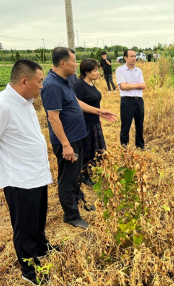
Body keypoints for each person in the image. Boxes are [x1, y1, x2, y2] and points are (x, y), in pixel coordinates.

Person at [0, 59, 56, 285]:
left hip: (36, 173)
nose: (42, 86)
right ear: (24, 81)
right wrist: (0, 164)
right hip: (20, 177)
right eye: (39, 81)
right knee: (25, 225)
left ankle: (42, 247)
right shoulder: (1, 105)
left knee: (38, 218)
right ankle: (29, 269)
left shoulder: (26, 100)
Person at [41, 47, 117, 229]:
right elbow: (53, 118)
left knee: (76, 175)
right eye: (74, 61)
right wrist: (66, 145)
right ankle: (71, 215)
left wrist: (99, 111)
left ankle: (77, 204)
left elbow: (75, 102)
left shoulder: (65, 81)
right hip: (68, 141)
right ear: (63, 63)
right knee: (67, 179)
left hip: (78, 137)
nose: (76, 64)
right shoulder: (51, 85)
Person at [73, 59, 113, 186]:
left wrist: (98, 116)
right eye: (95, 70)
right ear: (86, 72)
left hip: (94, 122)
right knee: (86, 150)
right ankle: (83, 175)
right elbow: (77, 105)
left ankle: (94, 170)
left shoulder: (91, 84)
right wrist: (99, 112)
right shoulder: (79, 85)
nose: (98, 73)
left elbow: (93, 102)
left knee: (96, 149)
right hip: (85, 123)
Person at [116, 49, 146, 149]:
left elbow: (143, 85)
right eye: (131, 56)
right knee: (125, 125)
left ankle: (140, 146)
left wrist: (130, 85)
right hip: (127, 101)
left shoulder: (139, 70)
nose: (134, 58)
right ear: (125, 58)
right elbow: (123, 87)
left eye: (135, 56)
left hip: (139, 100)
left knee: (139, 125)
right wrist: (137, 85)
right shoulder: (120, 70)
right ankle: (124, 147)